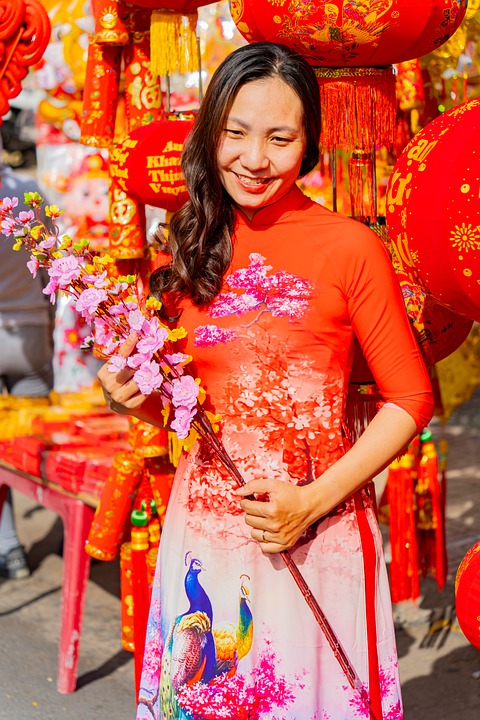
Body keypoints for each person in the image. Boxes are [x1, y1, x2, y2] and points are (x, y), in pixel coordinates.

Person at [98, 42, 434, 720]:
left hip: (318, 534)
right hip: (207, 541)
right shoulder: (189, 251)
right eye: (237, 134)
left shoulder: (350, 247)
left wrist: (312, 501)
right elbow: (185, 417)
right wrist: (130, 396)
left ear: (307, 141)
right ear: (211, 131)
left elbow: (410, 398)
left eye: (280, 138)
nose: (256, 160)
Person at [0, 155, 54, 580]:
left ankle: (10, 548)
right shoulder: (24, 191)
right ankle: (73, 530)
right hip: (30, 332)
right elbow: (50, 261)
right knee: (36, 443)